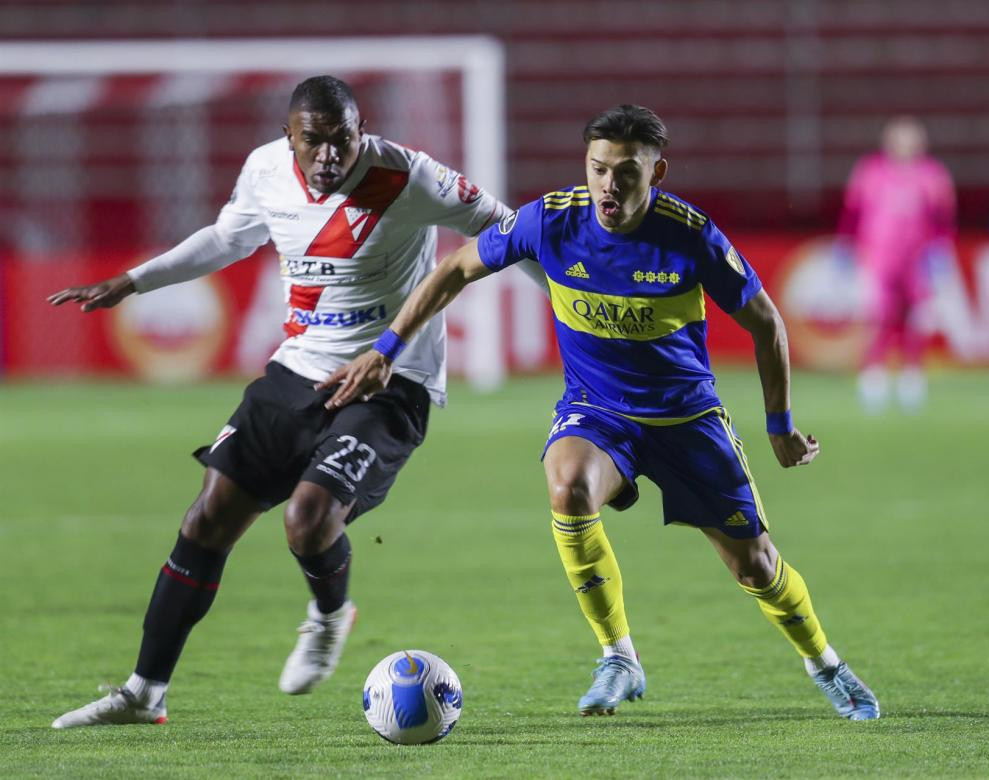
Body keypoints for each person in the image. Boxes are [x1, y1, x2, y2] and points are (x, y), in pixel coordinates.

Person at [319, 105, 880, 720]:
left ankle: (825, 664)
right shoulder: (550, 222)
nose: (609, 185)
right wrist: (386, 349)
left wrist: (779, 427)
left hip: (685, 420)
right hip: (597, 412)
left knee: (756, 567)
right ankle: (618, 656)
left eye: (627, 173)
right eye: (598, 169)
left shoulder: (689, 235)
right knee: (567, 487)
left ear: (656, 171)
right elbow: (455, 269)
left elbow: (767, 322)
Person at [46, 75, 542, 728]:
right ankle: (144, 693)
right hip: (295, 373)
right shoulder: (266, 171)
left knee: (307, 518)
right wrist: (135, 280)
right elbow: (228, 238)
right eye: (316, 141)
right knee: (206, 518)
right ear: (290, 136)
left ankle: (330, 615)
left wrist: (571, 301)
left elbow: (504, 225)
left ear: (361, 133)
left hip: (389, 384)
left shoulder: (407, 176)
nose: (331, 155)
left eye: (344, 140)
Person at [838, 116, 956, 413]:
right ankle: (873, 376)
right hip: (879, 258)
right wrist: (845, 246)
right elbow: (852, 213)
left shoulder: (932, 175)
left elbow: (943, 220)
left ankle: (911, 377)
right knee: (878, 316)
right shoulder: (870, 172)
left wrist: (940, 251)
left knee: (916, 319)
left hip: (917, 259)